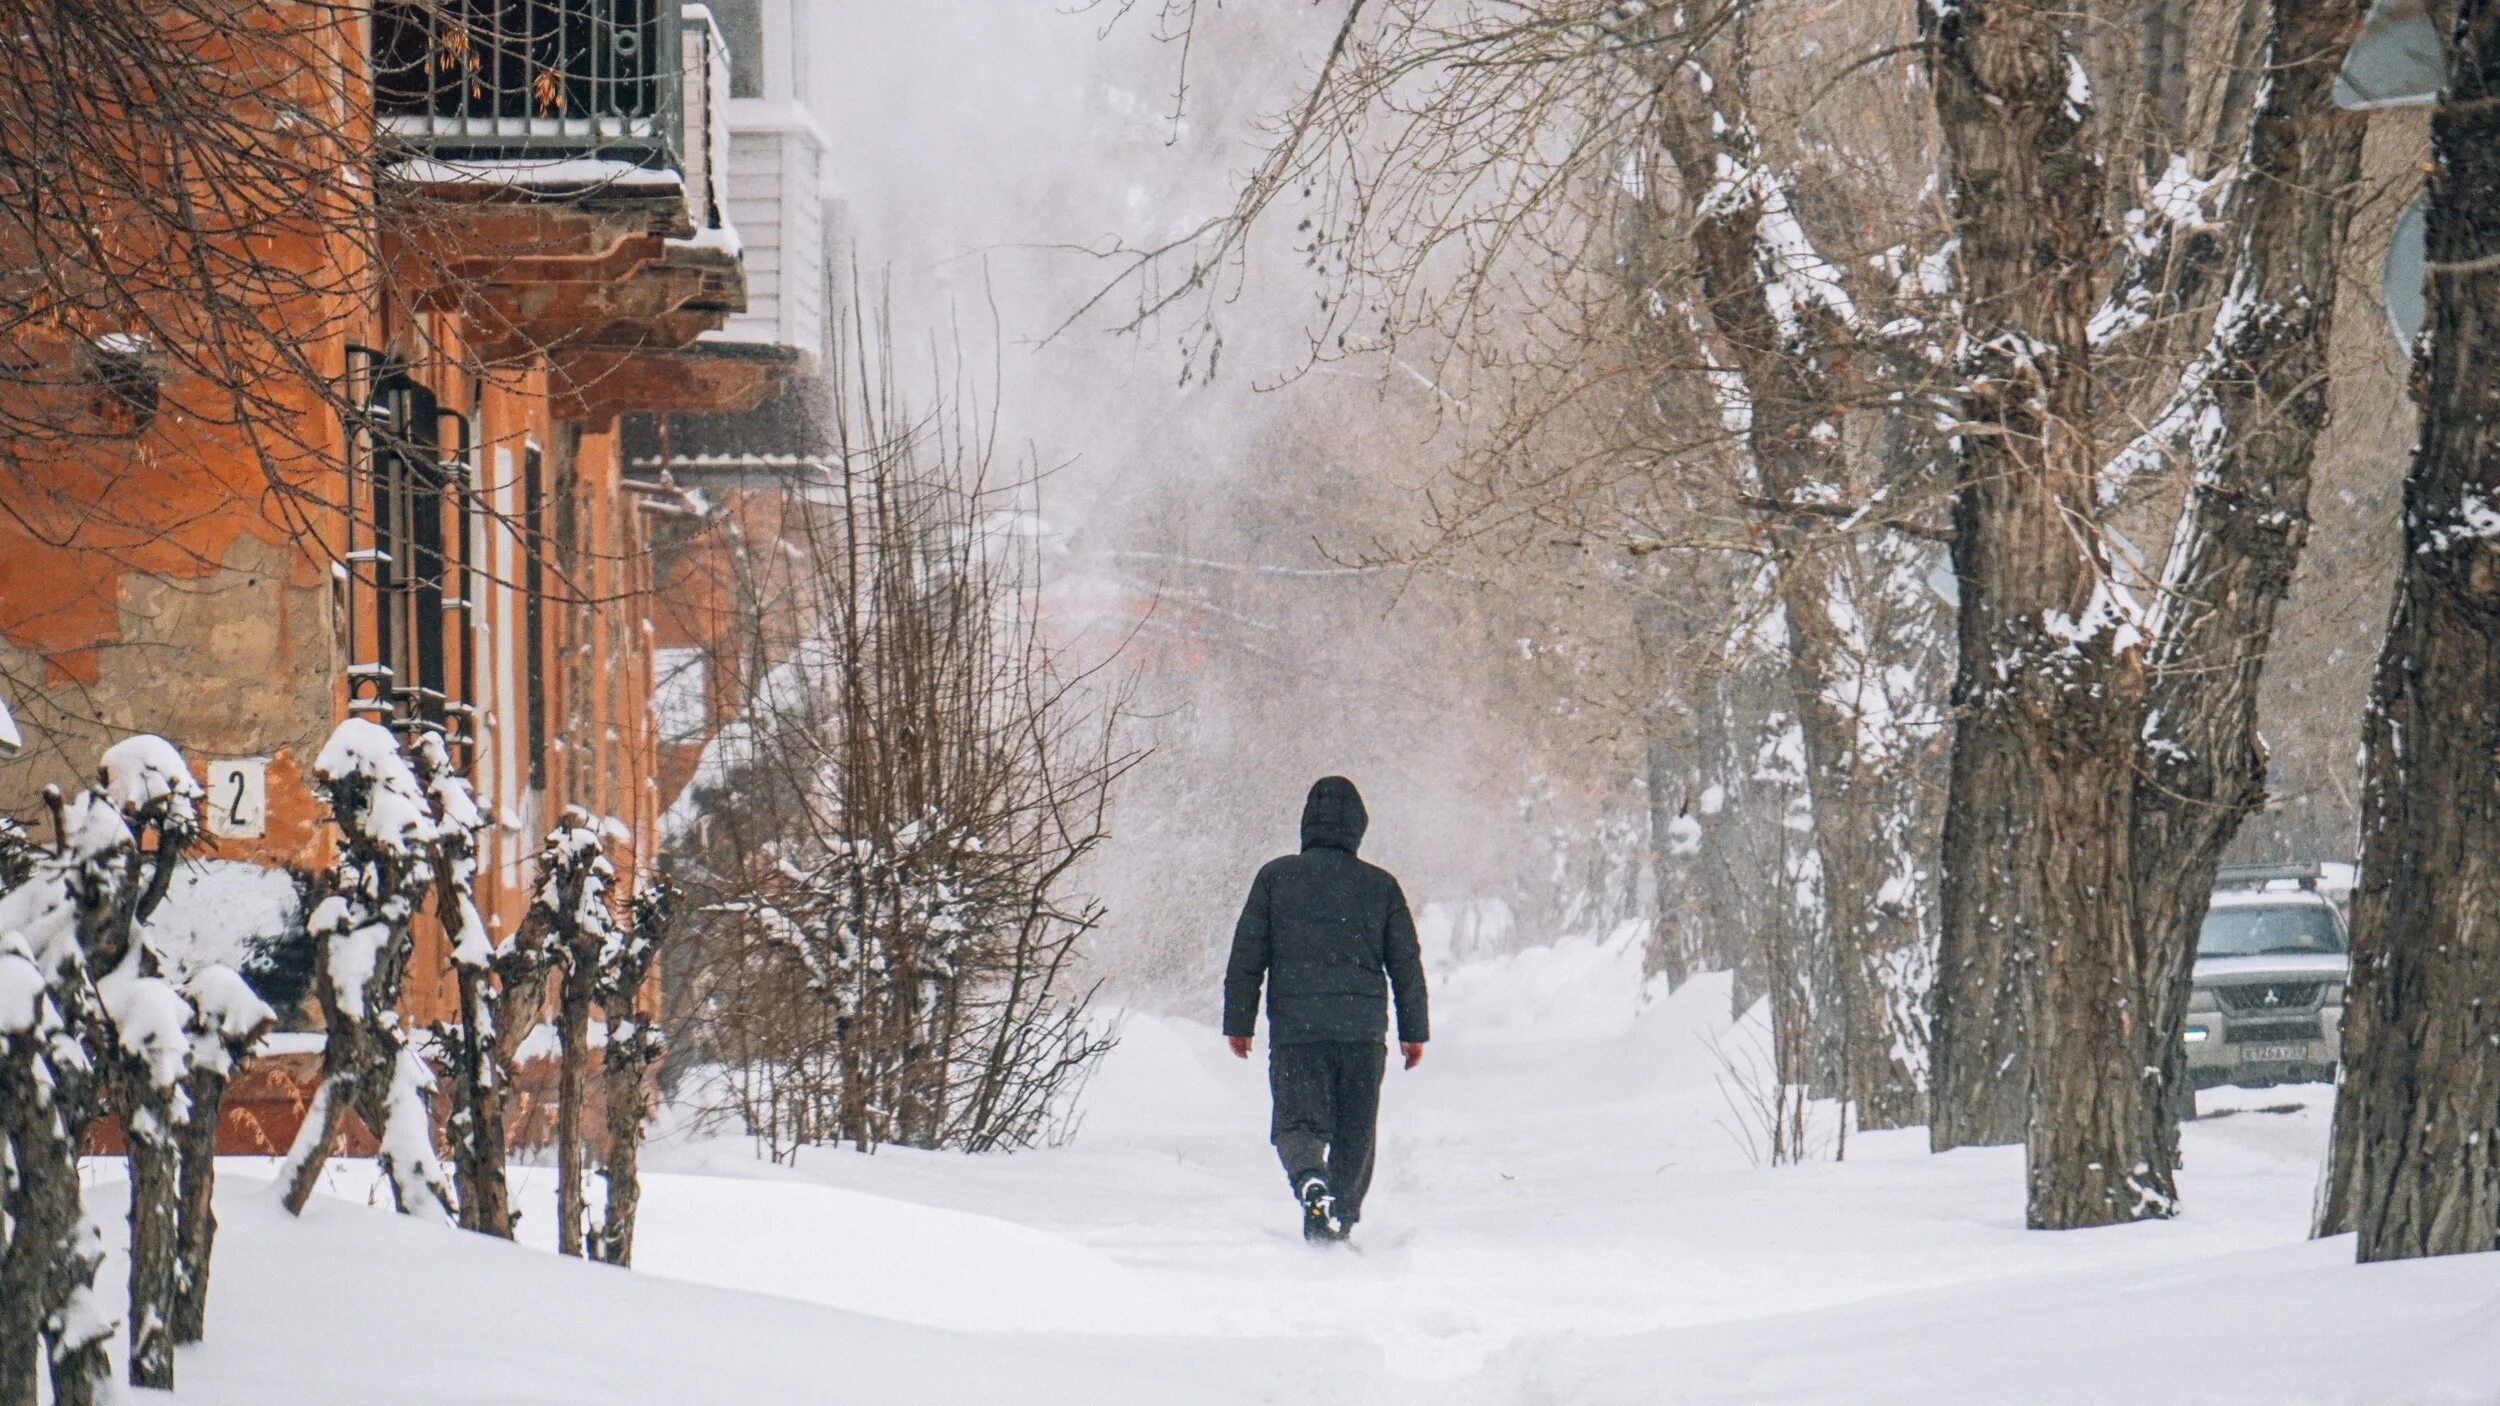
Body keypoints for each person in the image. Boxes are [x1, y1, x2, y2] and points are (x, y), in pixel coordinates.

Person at [1222, 776, 1430, 1243]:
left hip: (1298, 1031)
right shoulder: (1381, 886)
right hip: (1360, 1033)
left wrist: (1239, 1022)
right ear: (1358, 826)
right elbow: (1406, 964)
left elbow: (1247, 957)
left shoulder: (1275, 877)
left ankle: (1309, 1181)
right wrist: (1414, 1030)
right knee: (1356, 1128)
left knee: (1298, 1121)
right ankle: (1342, 1215)